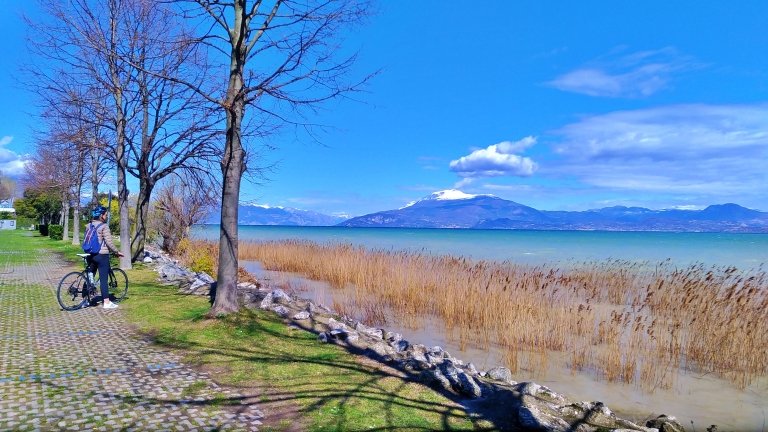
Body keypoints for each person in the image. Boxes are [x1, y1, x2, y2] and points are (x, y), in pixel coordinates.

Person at [86, 206, 124, 309]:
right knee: (103, 279)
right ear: (101, 216)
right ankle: (106, 302)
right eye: (106, 215)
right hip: (102, 255)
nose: (106, 216)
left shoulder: (89, 225)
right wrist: (116, 252)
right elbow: (109, 242)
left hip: (90, 255)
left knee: (90, 277)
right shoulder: (104, 226)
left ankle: (86, 300)